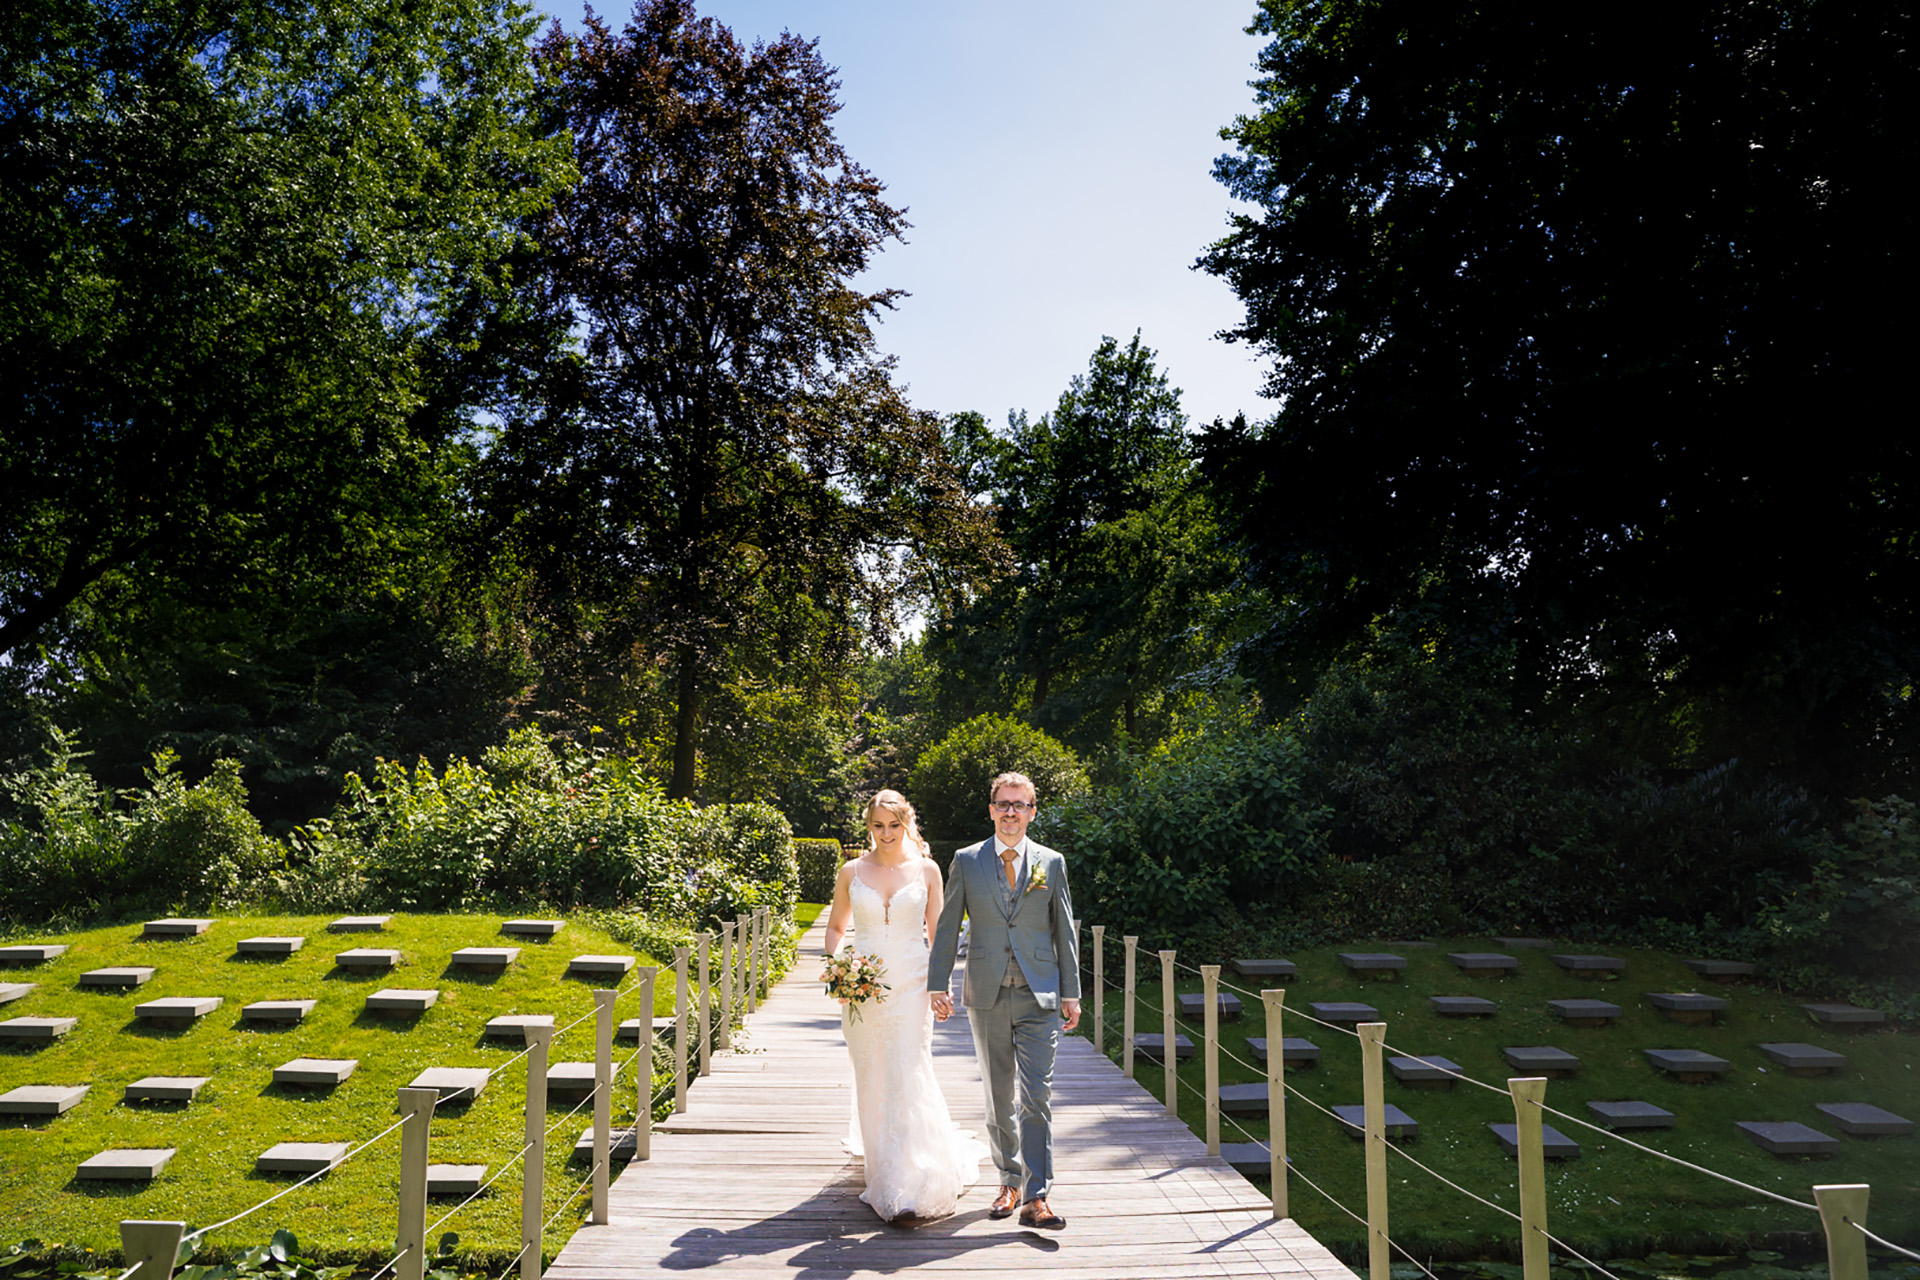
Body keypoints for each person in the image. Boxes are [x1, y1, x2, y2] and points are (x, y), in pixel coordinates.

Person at [822, 789, 986, 1222]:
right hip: (864, 990)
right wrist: (839, 968)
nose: (886, 833)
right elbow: (837, 928)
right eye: (878, 825)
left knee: (908, 1069)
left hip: (913, 986)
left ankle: (907, 1182)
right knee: (871, 1071)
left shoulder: (928, 870)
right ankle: (882, 1163)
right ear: (868, 826)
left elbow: (939, 936)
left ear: (907, 823)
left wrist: (940, 986)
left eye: (894, 825)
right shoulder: (851, 871)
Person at [928, 771, 1080, 1231]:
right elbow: (948, 923)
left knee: (1037, 1096)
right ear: (991, 810)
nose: (1011, 811)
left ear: (1032, 811)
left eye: (1021, 804)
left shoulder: (1051, 863)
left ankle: (1037, 1197)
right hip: (987, 993)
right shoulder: (967, 861)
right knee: (998, 1099)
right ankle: (1008, 1181)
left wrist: (1071, 992)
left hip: (1040, 994)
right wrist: (938, 984)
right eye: (1004, 804)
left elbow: (1064, 929)